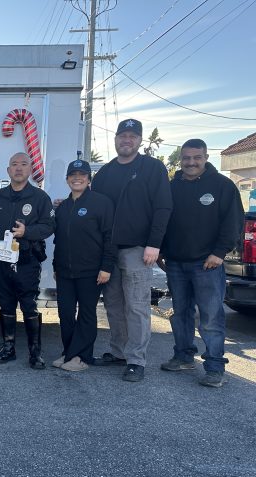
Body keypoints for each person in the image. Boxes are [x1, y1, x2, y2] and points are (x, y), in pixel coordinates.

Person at [90, 119, 172, 382]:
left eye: (132, 136)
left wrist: (154, 244)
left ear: (140, 140)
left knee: (136, 306)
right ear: (115, 139)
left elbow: (163, 207)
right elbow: (95, 208)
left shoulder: (152, 168)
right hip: (109, 251)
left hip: (138, 249)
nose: (127, 140)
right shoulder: (104, 173)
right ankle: (118, 352)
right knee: (114, 305)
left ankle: (137, 359)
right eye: (122, 135)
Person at [160, 138, 244, 388]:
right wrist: (163, 251)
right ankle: (184, 356)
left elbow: (233, 223)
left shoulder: (222, 186)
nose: (191, 162)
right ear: (181, 160)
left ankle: (214, 367)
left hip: (207, 264)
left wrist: (219, 253)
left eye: (197, 157)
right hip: (175, 263)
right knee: (181, 314)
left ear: (206, 158)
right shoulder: (171, 187)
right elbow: (163, 221)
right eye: (186, 158)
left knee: (210, 317)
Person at [0, 152, 54, 369]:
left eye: (23, 164)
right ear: (8, 170)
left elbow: (50, 226)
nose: (19, 168)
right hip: (1, 262)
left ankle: (35, 352)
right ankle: (8, 348)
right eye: (14, 164)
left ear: (30, 169)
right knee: (6, 305)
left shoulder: (40, 198)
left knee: (29, 306)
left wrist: (27, 232)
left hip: (27, 261)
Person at [51, 159, 116, 371]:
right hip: (64, 271)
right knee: (65, 313)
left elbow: (110, 237)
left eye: (82, 174)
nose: (77, 178)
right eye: (73, 174)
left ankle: (82, 357)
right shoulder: (63, 207)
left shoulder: (101, 202)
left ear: (89, 178)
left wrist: (107, 267)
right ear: (67, 178)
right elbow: (59, 239)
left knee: (87, 314)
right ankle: (68, 352)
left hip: (91, 271)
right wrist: (55, 265)